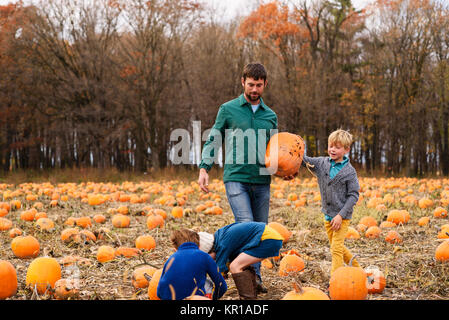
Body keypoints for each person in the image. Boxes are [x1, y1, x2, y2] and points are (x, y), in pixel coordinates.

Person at [197, 63, 293, 291]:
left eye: (259, 85)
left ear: (265, 85)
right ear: (243, 82)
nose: (254, 89)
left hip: (261, 181)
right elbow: (213, 138)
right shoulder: (228, 109)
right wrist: (204, 168)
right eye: (250, 84)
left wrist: (284, 170)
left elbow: (274, 150)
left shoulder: (270, 116)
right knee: (247, 225)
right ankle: (250, 276)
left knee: (260, 230)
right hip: (236, 178)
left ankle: (253, 279)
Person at [301, 129, 361, 275]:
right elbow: (304, 161)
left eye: (337, 147)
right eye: (331, 146)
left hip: (341, 217)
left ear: (346, 150)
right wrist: (298, 146)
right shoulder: (322, 163)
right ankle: (358, 270)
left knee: (336, 249)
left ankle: (336, 280)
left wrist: (341, 215)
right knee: (337, 247)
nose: (332, 150)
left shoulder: (349, 172)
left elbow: (353, 195)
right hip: (328, 216)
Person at [197, 221, 283, 300]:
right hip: (269, 237)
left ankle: (248, 298)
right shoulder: (220, 237)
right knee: (239, 263)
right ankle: (254, 288)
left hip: (267, 240)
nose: (209, 259)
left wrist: (211, 294)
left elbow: (219, 277)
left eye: (207, 256)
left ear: (210, 250)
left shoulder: (222, 246)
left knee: (235, 266)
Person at [157, 229, 227, 300]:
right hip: (194, 298)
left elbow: (159, 292)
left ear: (175, 248)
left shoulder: (170, 259)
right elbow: (222, 286)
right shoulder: (204, 256)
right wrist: (214, 297)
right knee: (208, 283)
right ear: (199, 246)